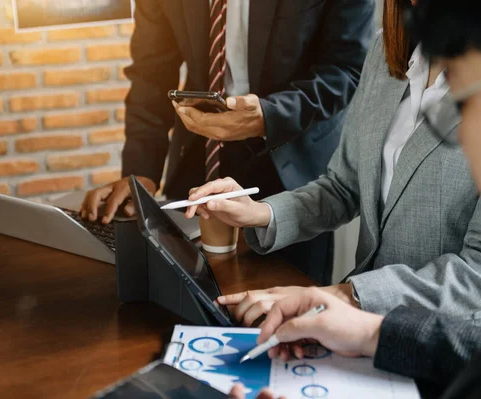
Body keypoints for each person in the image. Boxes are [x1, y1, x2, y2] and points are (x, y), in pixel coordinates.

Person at [229, 0, 481, 397]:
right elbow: (344, 185)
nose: (467, 138)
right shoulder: (386, 55)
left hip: (450, 357)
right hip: (366, 342)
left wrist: (349, 295)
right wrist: (262, 212)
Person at [80, 0, 375, 284]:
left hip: (293, 168)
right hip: (199, 161)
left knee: (286, 314)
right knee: (182, 303)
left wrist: (270, 116)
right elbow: (151, 74)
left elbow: (347, 69)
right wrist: (141, 171)